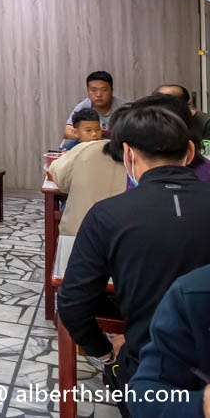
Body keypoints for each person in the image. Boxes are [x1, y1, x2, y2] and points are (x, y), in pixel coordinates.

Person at [57, 97, 210, 409]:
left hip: (151, 375)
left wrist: (103, 351)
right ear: (191, 152)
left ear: (126, 154)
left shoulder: (108, 215)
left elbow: (72, 302)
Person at [129, 264, 210, 418]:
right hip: (163, 362)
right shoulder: (194, 294)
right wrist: (202, 405)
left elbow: (75, 307)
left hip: (139, 350)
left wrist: (104, 354)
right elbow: (144, 395)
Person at [49, 108, 127, 237]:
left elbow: (60, 177)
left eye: (97, 129)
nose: (94, 134)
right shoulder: (70, 148)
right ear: (75, 132)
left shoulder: (107, 148)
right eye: (88, 130)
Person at [63, 70, 124, 143]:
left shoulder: (124, 108)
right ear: (88, 91)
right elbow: (68, 132)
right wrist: (91, 137)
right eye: (93, 90)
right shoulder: (84, 106)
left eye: (104, 90)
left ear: (112, 90)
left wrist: (111, 135)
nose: (98, 94)